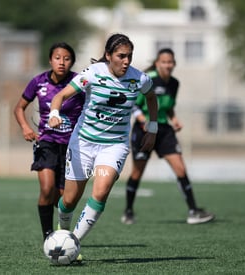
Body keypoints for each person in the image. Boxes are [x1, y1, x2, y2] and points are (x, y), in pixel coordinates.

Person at [48, 33, 158, 245]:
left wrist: (152, 128)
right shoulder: (92, 73)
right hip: (83, 142)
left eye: (129, 56)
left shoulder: (139, 78)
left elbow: (151, 97)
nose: (126, 61)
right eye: (121, 56)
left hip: (114, 145)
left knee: (101, 191)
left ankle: (72, 243)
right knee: (69, 200)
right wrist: (54, 115)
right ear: (108, 55)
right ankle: (63, 229)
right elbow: (60, 96)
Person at [121, 48, 215, 225]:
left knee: (180, 169)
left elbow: (168, 106)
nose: (167, 65)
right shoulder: (147, 79)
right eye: (164, 62)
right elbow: (133, 104)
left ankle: (193, 211)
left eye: (170, 62)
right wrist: (143, 121)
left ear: (174, 64)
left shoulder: (174, 84)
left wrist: (174, 119)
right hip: (144, 130)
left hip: (164, 130)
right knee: (137, 172)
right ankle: (128, 211)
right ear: (157, 63)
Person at [13, 42, 85, 241]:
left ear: (72, 62)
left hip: (72, 146)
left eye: (67, 58)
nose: (62, 62)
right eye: (57, 58)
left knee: (62, 198)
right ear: (50, 60)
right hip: (47, 142)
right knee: (46, 189)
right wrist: (25, 127)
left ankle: (62, 229)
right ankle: (48, 236)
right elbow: (19, 108)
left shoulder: (78, 83)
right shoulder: (38, 82)